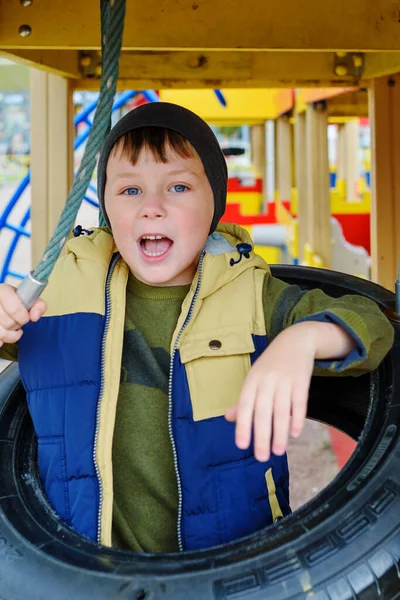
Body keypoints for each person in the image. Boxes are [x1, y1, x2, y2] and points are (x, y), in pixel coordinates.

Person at [0, 102, 394, 554]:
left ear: (215, 206)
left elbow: (372, 322)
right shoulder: (58, 298)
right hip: (85, 569)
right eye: (129, 191)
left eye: (179, 186)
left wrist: (301, 340)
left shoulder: (251, 295)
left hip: (230, 562)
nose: (152, 208)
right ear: (106, 207)